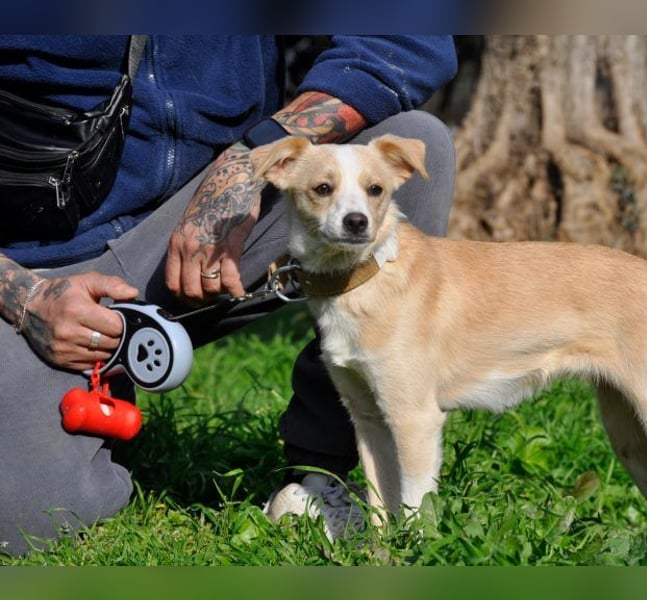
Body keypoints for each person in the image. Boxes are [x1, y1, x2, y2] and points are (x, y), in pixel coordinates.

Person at [0, 35, 457, 556]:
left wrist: (247, 160)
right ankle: (81, 395)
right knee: (23, 515)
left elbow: (408, 36)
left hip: (228, 220)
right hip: (39, 265)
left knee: (417, 138)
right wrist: (26, 297)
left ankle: (317, 478)